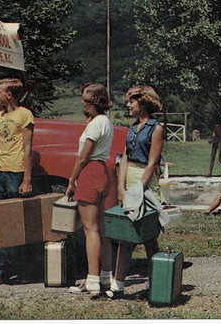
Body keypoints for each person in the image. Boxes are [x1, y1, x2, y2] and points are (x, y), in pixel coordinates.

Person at [108, 85, 165, 299]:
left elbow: (151, 164)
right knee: (125, 235)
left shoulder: (155, 128)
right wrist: (121, 188)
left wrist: (137, 190)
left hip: (145, 184)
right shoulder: (132, 128)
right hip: (129, 179)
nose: (128, 105)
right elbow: (125, 159)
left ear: (142, 103)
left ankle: (157, 283)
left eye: (132, 101)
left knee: (149, 237)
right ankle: (118, 285)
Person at [66, 83, 114, 296]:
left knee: (90, 229)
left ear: (93, 101)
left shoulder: (95, 125)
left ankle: (92, 280)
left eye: (85, 99)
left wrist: (72, 180)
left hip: (90, 171)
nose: (82, 102)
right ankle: (105, 275)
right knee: (100, 228)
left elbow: (83, 156)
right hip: (102, 171)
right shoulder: (105, 122)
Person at [0, 77, 34, 284]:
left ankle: (22, 270)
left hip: (16, 172)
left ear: (9, 95)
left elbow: (27, 148)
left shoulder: (25, 115)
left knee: (16, 222)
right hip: (0, 172)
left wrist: (27, 179)